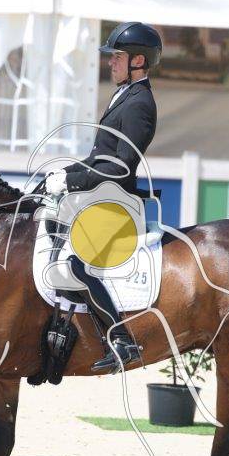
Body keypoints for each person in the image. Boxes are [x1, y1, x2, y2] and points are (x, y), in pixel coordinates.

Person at [42, 21, 162, 372]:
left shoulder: (140, 103)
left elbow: (121, 166)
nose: (111, 62)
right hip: (99, 194)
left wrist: (73, 181)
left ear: (138, 61)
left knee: (76, 264)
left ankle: (122, 339)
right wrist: (63, 173)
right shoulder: (124, 95)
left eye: (118, 57)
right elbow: (99, 157)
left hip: (115, 201)